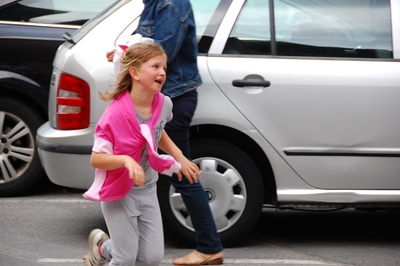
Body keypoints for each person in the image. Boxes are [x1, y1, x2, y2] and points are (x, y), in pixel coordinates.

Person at [106, 0, 224, 265]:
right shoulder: (155, 3)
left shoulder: (170, 4)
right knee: (146, 168)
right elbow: (144, 50)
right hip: (157, 98)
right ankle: (118, 247)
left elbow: (159, 53)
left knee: (181, 174)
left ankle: (208, 246)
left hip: (173, 96)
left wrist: (122, 56)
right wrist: (120, 53)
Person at [83, 41, 201, 266]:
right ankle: (110, 251)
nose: (162, 72)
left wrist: (181, 158)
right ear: (135, 73)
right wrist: (126, 160)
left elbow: (158, 132)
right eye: (155, 66)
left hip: (148, 188)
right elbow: (96, 158)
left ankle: (103, 248)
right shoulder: (114, 115)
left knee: (151, 258)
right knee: (125, 259)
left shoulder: (164, 104)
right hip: (119, 193)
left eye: (164, 68)